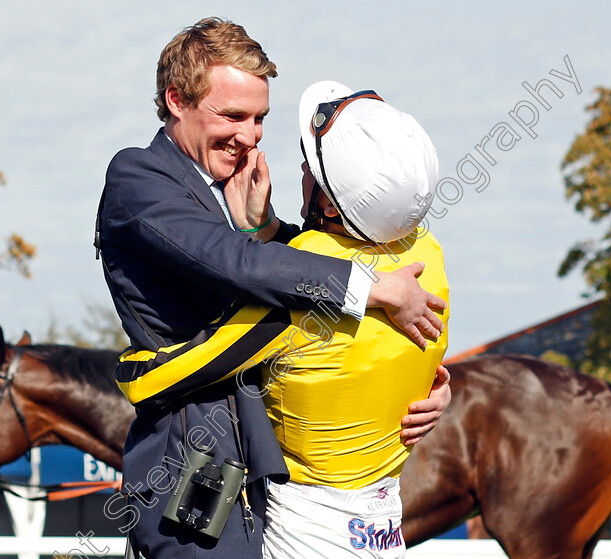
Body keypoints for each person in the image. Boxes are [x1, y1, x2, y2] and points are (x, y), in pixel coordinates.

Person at [96, 17, 449, 558]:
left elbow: (285, 262)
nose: (250, 135)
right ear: (175, 100)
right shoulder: (137, 178)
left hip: (268, 467)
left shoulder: (228, 185)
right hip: (194, 464)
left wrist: (427, 384)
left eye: (260, 117)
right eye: (232, 115)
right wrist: (373, 288)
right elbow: (230, 261)